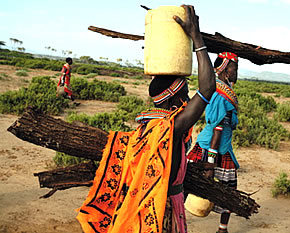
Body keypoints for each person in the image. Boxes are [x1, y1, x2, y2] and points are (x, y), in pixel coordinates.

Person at [76, 5, 216, 233]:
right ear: (174, 99)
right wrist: (196, 37)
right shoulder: (171, 126)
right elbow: (208, 88)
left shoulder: (147, 127)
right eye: (184, 92)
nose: (188, 98)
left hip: (153, 206)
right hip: (163, 210)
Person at [187, 51, 239, 233]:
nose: (236, 72)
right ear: (225, 69)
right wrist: (210, 164)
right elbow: (218, 130)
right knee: (228, 192)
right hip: (213, 148)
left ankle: (222, 229)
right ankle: (221, 230)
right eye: (234, 68)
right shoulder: (220, 94)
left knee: (190, 184)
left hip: (218, 146)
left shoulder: (221, 89)